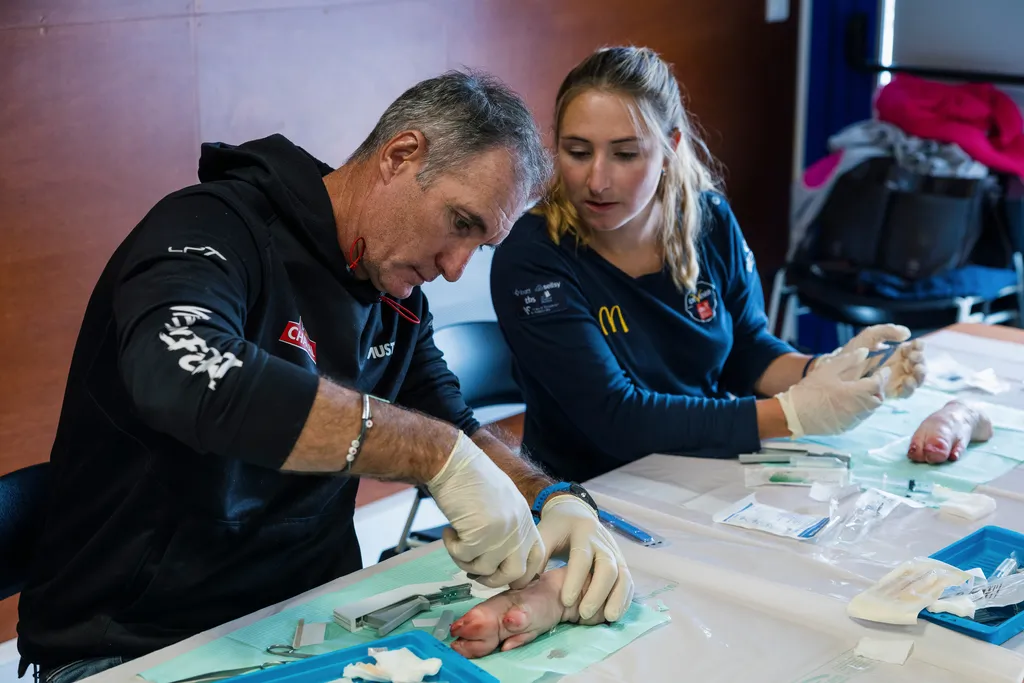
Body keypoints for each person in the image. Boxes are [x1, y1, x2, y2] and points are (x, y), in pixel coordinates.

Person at [17, 71, 633, 683]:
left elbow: (454, 426)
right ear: (401, 154)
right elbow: (185, 375)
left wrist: (557, 500)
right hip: (137, 643)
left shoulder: (396, 296)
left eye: (481, 244)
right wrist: (433, 454)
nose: (453, 268)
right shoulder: (209, 228)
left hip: (308, 622)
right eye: (460, 223)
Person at [490, 46, 927, 483]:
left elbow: (747, 349)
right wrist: (794, 413)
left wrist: (830, 373)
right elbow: (616, 417)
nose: (597, 180)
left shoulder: (709, 218)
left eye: (625, 154)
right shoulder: (533, 257)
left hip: (708, 469)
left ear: (670, 149)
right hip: (592, 491)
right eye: (578, 152)